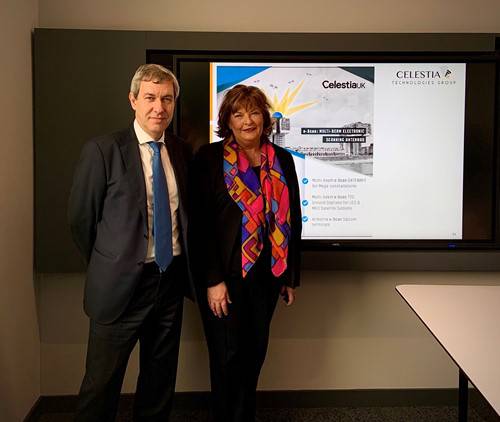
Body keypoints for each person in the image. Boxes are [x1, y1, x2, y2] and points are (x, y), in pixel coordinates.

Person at [68, 64, 194, 422]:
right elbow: (81, 221)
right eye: (151, 98)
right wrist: (113, 261)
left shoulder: (182, 152)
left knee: (159, 383)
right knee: (101, 388)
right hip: (119, 287)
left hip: (168, 283)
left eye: (167, 99)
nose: (159, 107)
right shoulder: (103, 150)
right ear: (133, 100)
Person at [190, 84, 302, 422]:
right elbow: (199, 225)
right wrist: (212, 280)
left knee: (254, 356)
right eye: (238, 114)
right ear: (228, 120)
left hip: (266, 278)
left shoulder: (281, 159)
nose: (247, 120)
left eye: (254, 112)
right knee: (227, 361)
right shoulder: (209, 159)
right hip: (225, 280)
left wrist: (288, 276)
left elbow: (292, 217)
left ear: (265, 119)